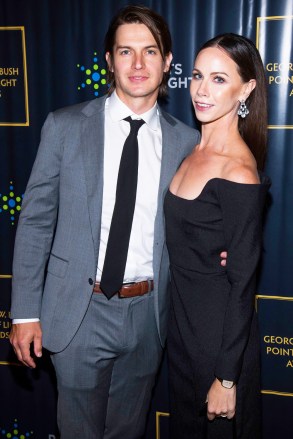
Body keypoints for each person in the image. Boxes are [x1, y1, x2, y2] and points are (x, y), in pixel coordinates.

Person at [9, 5, 201, 439]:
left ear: (168, 62)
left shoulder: (187, 143)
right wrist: (23, 312)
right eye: (125, 52)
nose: (137, 64)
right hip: (78, 312)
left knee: (128, 432)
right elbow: (36, 221)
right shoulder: (64, 126)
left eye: (150, 52)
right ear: (109, 60)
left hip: (148, 315)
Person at [164, 33, 270, 439]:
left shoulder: (238, 171)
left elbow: (243, 284)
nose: (202, 90)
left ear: (246, 88)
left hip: (219, 338)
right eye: (196, 76)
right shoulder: (190, 150)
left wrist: (227, 378)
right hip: (182, 329)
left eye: (219, 79)